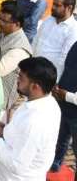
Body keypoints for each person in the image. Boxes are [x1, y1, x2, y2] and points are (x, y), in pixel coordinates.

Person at [0, 57, 61, 181]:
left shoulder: (36, 121)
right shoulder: (44, 101)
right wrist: (5, 130)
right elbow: (22, 135)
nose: (17, 80)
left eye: (21, 78)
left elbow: (17, 165)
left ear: (35, 87)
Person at [0, 0, 32, 116]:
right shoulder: (3, 32)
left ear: (17, 24)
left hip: (2, 99)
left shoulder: (20, 48)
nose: (0, 23)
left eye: (4, 21)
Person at [33, 0, 77, 82]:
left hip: (47, 75)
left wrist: (55, 80)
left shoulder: (73, 29)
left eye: (57, 5)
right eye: (53, 4)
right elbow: (36, 40)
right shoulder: (49, 19)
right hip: (33, 67)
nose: (53, 7)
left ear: (69, 8)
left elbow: (64, 57)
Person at [51, 41, 77, 175]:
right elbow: (66, 66)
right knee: (61, 136)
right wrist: (57, 83)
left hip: (72, 107)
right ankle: (56, 161)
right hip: (62, 102)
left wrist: (67, 95)